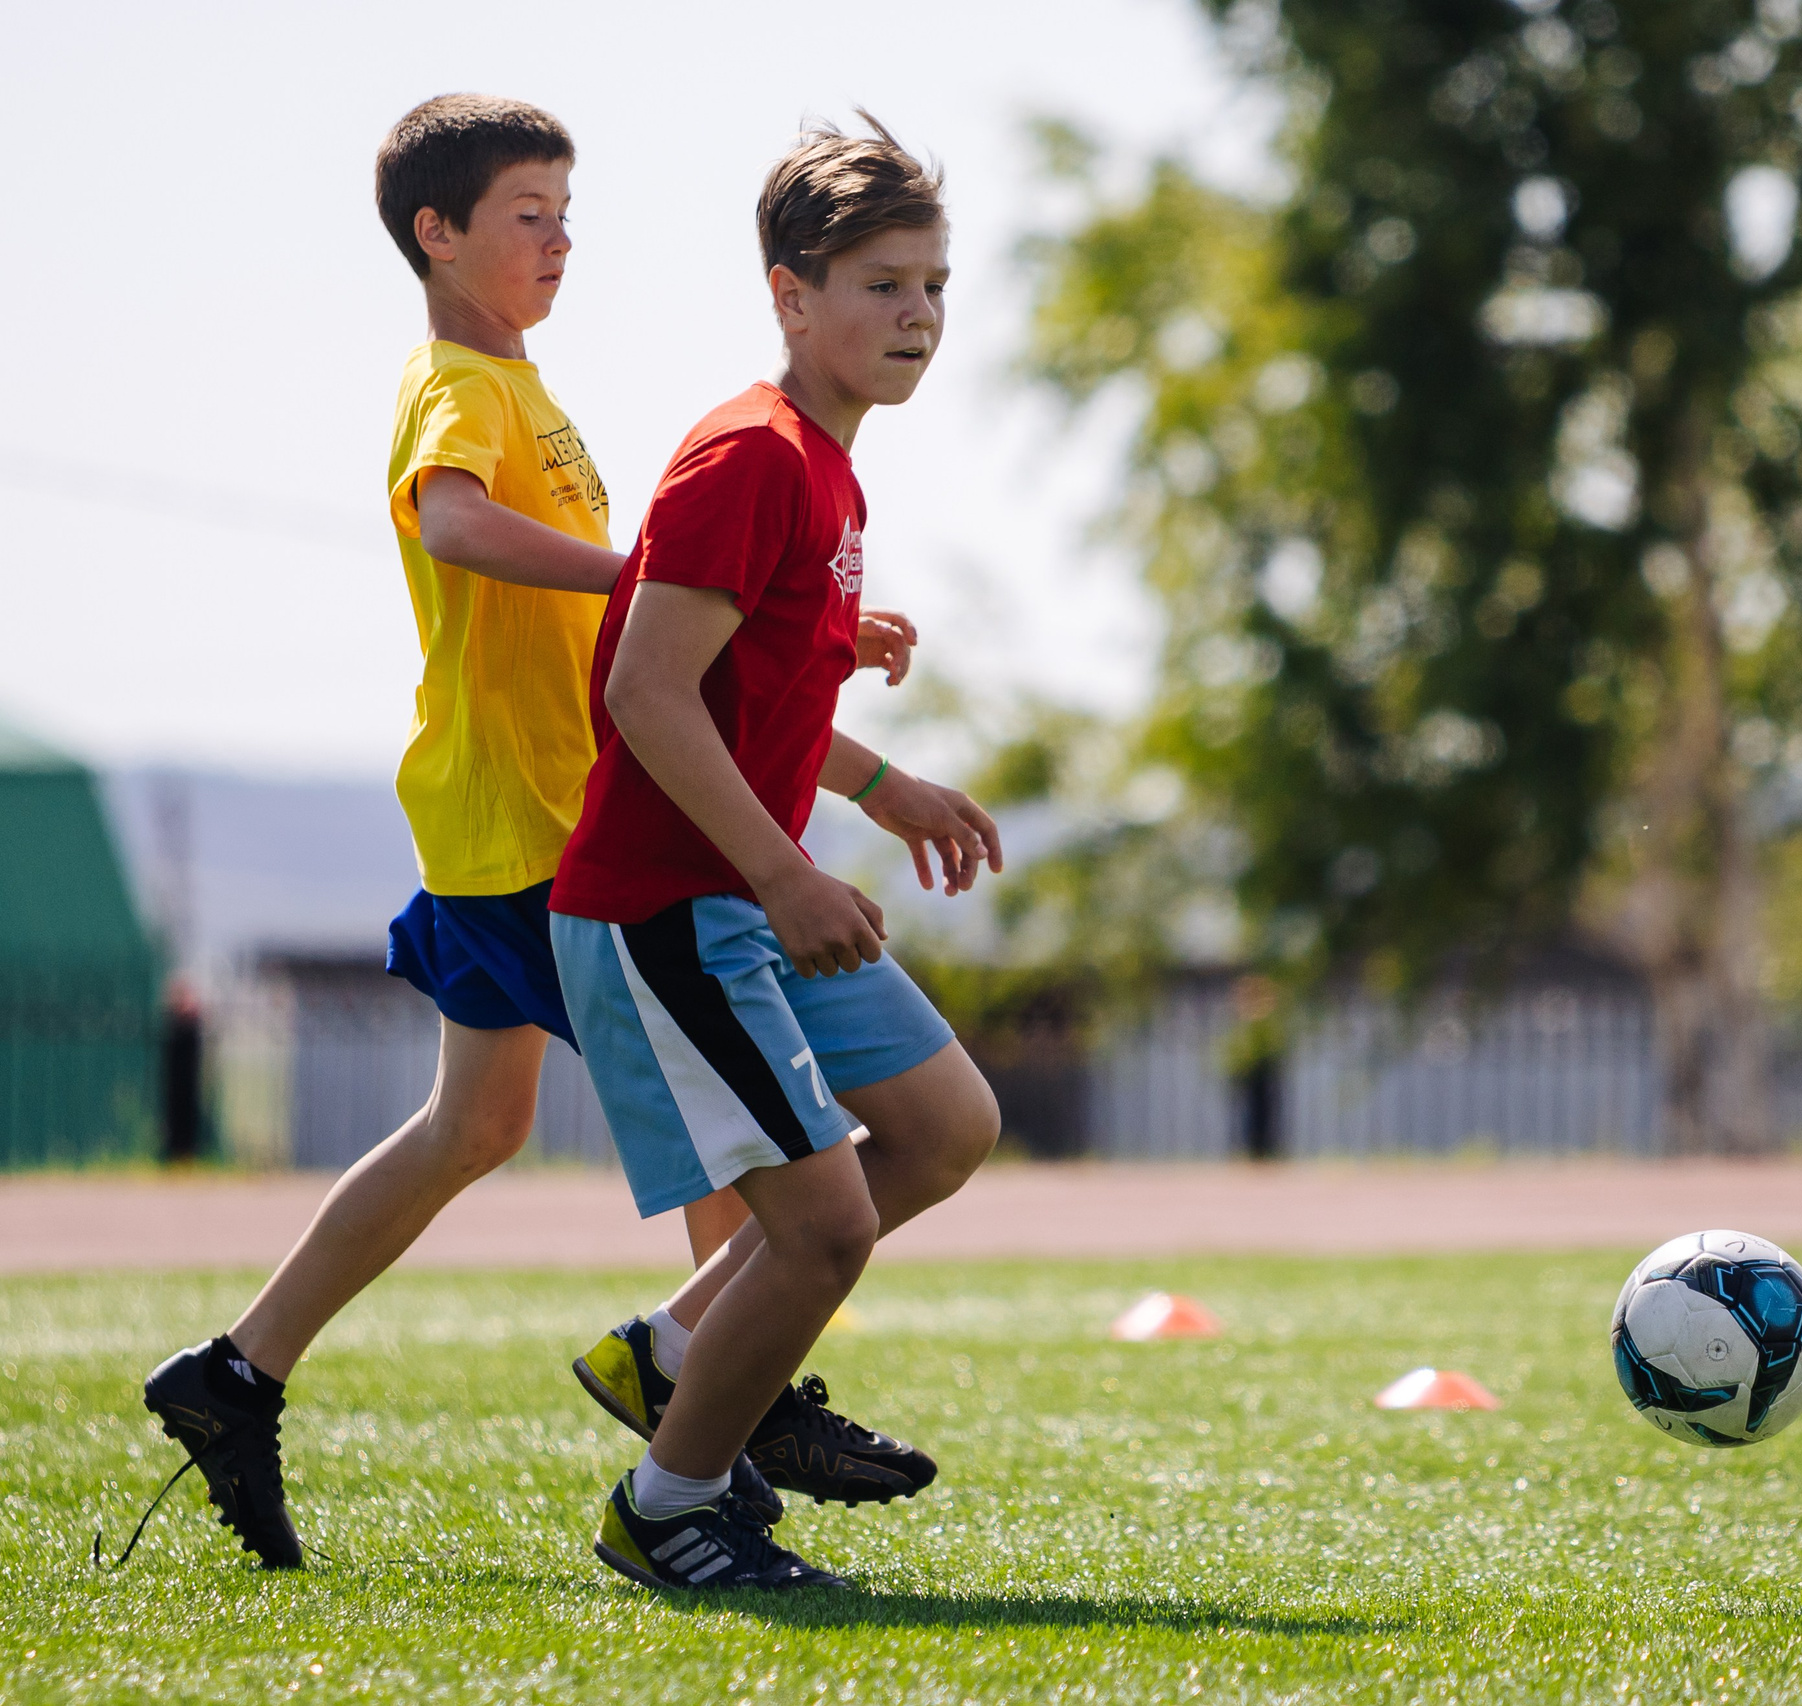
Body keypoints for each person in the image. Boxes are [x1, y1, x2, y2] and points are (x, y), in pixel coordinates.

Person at [132, 94, 920, 1571]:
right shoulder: (459, 388)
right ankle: (732, 1412)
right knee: (723, 1114)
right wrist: (655, 565)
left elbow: (685, 659)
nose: (561, 240)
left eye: (568, 211)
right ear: (437, 235)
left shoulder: (527, 388)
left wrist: (792, 651)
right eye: (528, 214)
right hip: (540, 825)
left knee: (477, 1126)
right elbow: (456, 527)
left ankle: (234, 1373)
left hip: (512, 815)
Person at [548, 113, 1004, 1593]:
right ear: (789, 295)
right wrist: (786, 872)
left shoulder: (827, 467)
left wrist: (880, 786)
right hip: (671, 907)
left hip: (744, 896)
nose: (917, 314)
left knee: (944, 1126)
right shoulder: (751, 453)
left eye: (934, 284)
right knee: (822, 1227)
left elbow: (754, 693)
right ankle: (668, 1505)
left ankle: (671, 1351)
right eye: (882, 284)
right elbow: (643, 692)